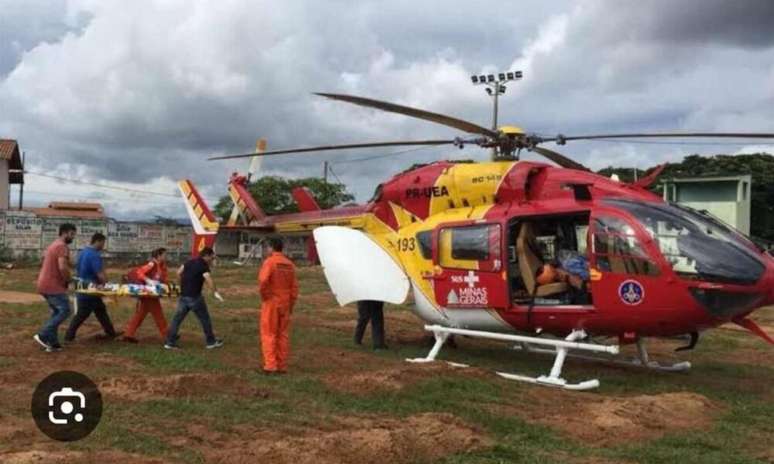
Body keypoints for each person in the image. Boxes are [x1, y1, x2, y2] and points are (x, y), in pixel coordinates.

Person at [164, 247, 224, 350]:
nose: (211, 260)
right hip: (195, 298)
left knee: (176, 320)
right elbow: (209, 279)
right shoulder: (203, 266)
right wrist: (215, 292)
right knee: (205, 320)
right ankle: (211, 342)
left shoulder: (189, 262)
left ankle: (170, 342)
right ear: (207, 256)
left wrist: (181, 284)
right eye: (211, 257)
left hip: (184, 296)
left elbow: (178, 272)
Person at [64, 232, 119, 342]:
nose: (103, 246)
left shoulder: (83, 252)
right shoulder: (94, 255)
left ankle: (111, 332)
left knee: (100, 310)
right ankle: (69, 336)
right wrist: (107, 286)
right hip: (91, 289)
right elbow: (100, 273)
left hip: (83, 286)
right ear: (98, 241)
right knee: (82, 314)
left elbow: (76, 267)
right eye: (103, 243)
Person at [258, 238, 298, 374]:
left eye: (267, 247)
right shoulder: (290, 264)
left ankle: (270, 365)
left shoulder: (269, 262)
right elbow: (294, 288)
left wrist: (265, 297)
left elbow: (263, 281)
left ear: (271, 247)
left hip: (271, 302)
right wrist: (291, 304)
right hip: (285, 303)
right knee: (283, 334)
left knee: (269, 333)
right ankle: (281, 365)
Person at [34, 223, 77, 352]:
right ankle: (43, 334)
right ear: (64, 233)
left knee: (57, 312)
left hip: (44, 283)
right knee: (65, 311)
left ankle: (53, 343)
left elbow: (65, 263)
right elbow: (62, 267)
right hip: (53, 285)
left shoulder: (54, 245)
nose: (73, 237)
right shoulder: (62, 246)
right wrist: (69, 280)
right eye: (71, 234)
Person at [122, 248, 170, 343]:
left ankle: (128, 334)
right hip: (149, 294)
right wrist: (149, 281)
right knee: (158, 314)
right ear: (159, 256)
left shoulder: (160, 265)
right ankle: (168, 336)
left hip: (149, 293)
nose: (166, 256)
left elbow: (161, 277)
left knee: (140, 314)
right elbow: (139, 273)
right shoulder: (152, 264)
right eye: (164, 255)